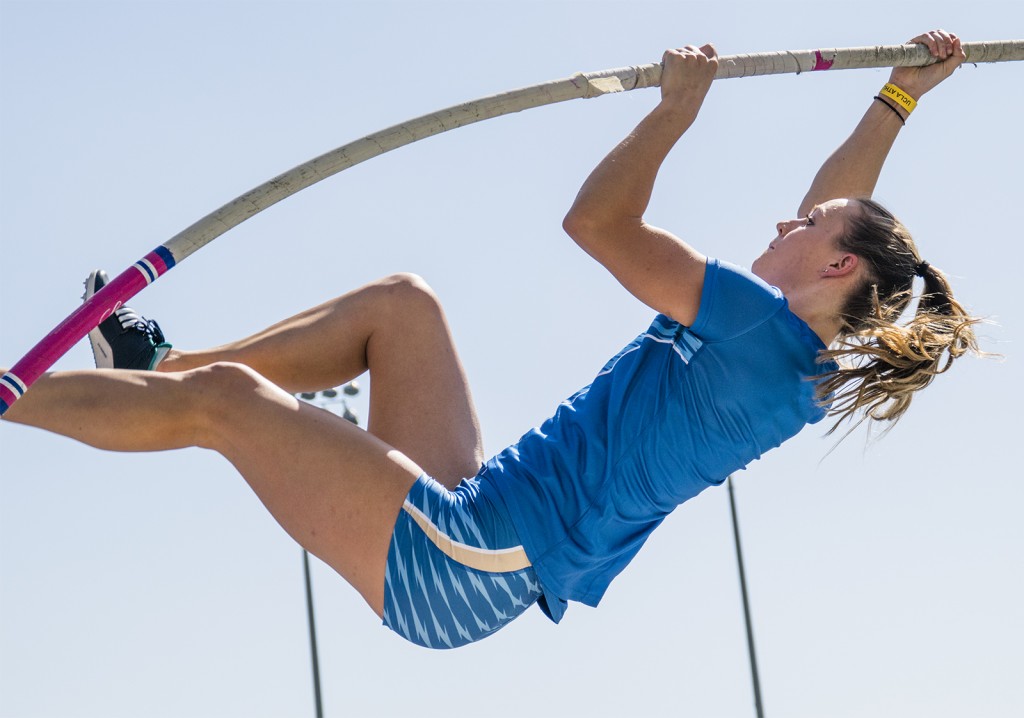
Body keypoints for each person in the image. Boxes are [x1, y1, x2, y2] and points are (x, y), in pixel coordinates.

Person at [2, 30, 980, 649]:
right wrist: (898, 95)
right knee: (402, 306)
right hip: (477, 515)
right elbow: (836, 205)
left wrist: (673, 112)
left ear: (838, 269)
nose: (782, 222)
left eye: (805, 230)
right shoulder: (791, 349)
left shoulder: (751, 326)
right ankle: (149, 367)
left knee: (232, 407)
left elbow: (594, 225)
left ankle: (21, 391)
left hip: (467, 567)